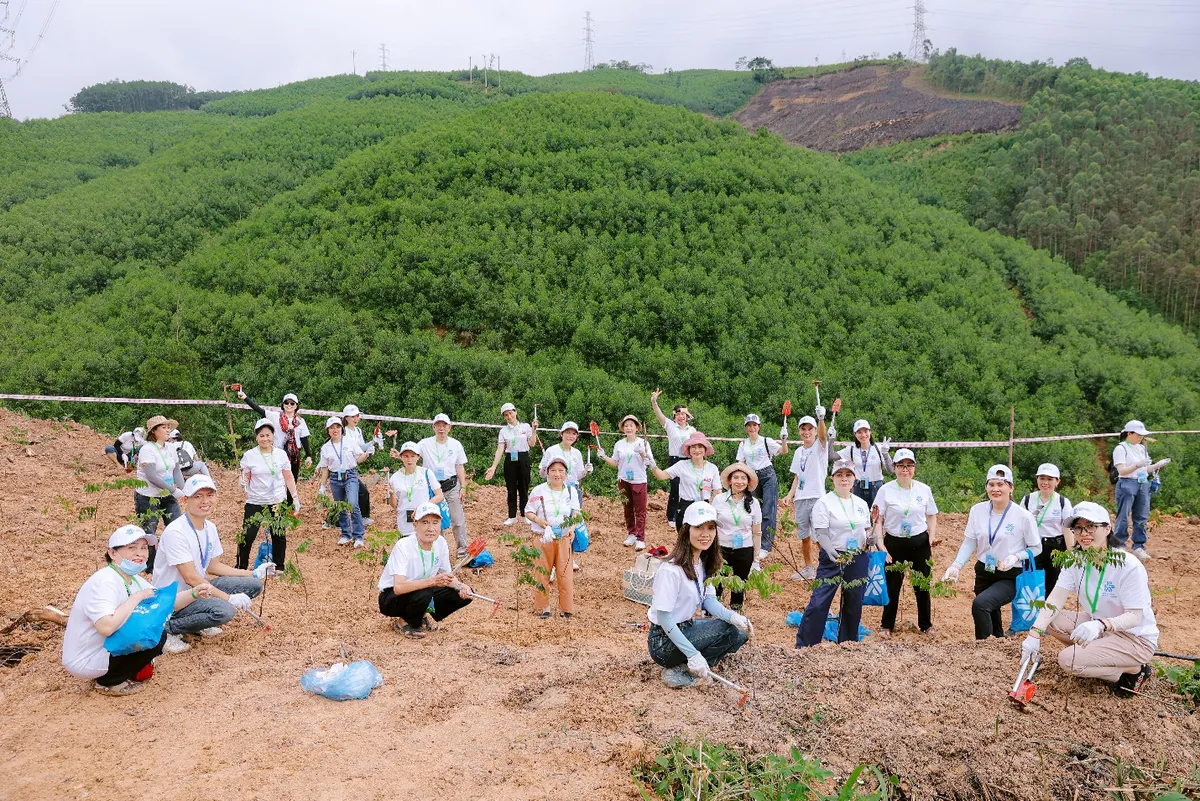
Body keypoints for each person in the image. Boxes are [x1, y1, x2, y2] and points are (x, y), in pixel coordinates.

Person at [1020, 501, 1159, 696]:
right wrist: (1034, 634)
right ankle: (1097, 654)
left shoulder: (1128, 566)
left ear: (1107, 528)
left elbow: (1135, 617)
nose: (1084, 533)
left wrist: (1101, 625)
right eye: (1078, 528)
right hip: (1099, 626)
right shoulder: (1076, 561)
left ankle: (1134, 670)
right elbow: (1056, 599)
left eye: (1091, 526)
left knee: (1067, 660)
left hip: (1134, 638)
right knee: (1051, 620)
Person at [62, 524, 215, 696]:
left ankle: (117, 671)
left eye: (143, 548)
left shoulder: (132, 579)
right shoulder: (105, 582)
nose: (140, 553)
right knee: (154, 637)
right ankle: (109, 682)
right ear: (113, 553)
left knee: (155, 632)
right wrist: (136, 598)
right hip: (85, 658)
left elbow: (165, 603)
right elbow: (106, 626)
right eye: (131, 548)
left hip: (102, 648)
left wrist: (194, 593)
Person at [152, 476, 269, 653]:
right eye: (197, 496)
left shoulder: (210, 527)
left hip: (199, 589)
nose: (205, 501)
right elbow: (191, 577)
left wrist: (252, 573)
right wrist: (229, 598)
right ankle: (168, 628)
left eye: (209, 495)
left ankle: (197, 621)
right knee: (224, 610)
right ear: (185, 500)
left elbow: (213, 567)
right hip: (174, 598)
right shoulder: (176, 532)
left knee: (253, 586)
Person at [647, 502, 753, 688]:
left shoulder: (702, 564)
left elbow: (709, 601)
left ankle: (689, 667)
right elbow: (663, 617)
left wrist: (733, 616)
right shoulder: (671, 570)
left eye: (711, 528)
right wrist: (692, 654)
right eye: (698, 527)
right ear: (686, 530)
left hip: (686, 627)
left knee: (739, 634)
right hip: (663, 641)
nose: (706, 534)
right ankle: (682, 668)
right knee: (725, 629)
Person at [942, 464, 1041, 640]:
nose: (995, 489)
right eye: (991, 484)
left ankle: (984, 649)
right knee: (991, 610)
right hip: (984, 570)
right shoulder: (977, 510)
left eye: (1001, 484)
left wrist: (1016, 556)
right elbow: (970, 541)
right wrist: (956, 566)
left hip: (1009, 573)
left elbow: (1036, 547)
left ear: (1011, 488)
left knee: (981, 605)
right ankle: (998, 641)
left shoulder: (1023, 516)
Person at [796, 459, 873, 648]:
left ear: (854, 478)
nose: (844, 479)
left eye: (848, 475)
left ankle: (847, 643)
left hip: (857, 557)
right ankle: (806, 645)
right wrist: (830, 550)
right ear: (833, 478)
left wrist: (871, 539)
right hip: (833, 557)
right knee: (819, 601)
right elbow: (821, 532)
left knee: (854, 602)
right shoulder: (824, 503)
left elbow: (867, 529)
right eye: (840, 475)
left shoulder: (862, 504)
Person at [378, 502, 474, 638]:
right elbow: (398, 587)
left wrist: (461, 587)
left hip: (423, 590)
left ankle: (419, 614)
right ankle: (403, 622)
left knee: (462, 594)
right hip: (391, 598)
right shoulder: (403, 546)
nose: (431, 528)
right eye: (425, 522)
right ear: (415, 525)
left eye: (435, 523)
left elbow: (447, 576)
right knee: (425, 592)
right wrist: (432, 581)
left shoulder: (440, 543)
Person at [872, 448, 940, 637]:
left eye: (909, 466)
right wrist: (881, 545)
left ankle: (926, 624)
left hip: (920, 542)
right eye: (901, 466)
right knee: (892, 586)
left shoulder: (923, 489)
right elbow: (877, 519)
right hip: (894, 543)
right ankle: (886, 625)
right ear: (894, 468)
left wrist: (932, 535)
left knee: (922, 585)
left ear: (914, 468)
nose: (905, 470)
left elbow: (932, 514)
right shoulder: (885, 490)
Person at [236, 417, 301, 571]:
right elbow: (246, 476)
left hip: (277, 500)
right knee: (247, 536)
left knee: (278, 534)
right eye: (261, 435)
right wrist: (242, 481)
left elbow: (288, 476)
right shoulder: (249, 455)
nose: (265, 438)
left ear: (273, 436)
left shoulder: (281, 454)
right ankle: (241, 567)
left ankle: (278, 567)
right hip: (256, 500)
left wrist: (295, 497)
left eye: (268, 435)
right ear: (256, 437)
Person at [525, 456, 583, 619]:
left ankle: (567, 609)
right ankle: (544, 607)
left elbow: (576, 511)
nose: (557, 474)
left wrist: (572, 527)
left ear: (566, 473)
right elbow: (528, 511)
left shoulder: (571, 491)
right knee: (542, 573)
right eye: (553, 470)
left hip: (564, 539)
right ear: (547, 472)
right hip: (543, 537)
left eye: (560, 471)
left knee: (565, 575)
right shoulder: (539, 490)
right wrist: (539, 520)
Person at [238, 388, 314, 506]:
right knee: (278, 479)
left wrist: (308, 455)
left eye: (292, 403)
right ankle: (275, 504)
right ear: (283, 405)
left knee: (291, 479)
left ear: (296, 406)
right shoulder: (275, 417)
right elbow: (259, 410)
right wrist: (245, 398)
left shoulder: (300, 421)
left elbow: (304, 438)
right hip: (279, 453)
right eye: (286, 403)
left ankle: (289, 506)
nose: (289, 405)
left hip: (294, 454)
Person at [781, 408, 831, 582]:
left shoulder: (820, 446)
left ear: (815, 430)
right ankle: (809, 568)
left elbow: (824, 437)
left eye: (810, 429)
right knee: (804, 536)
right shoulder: (798, 452)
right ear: (800, 431)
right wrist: (790, 495)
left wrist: (821, 418)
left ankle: (828, 566)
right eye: (804, 429)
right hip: (801, 498)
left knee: (819, 536)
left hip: (817, 497)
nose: (807, 432)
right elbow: (797, 476)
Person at [1112, 420, 1170, 561]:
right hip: (1127, 483)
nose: (1140, 438)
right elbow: (1122, 470)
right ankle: (1118, 544)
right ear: (1129, 433)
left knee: (1141, 517)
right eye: (1138, 435)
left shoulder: (1142, 448)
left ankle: (1139, 546)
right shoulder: (1121, 449)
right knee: (1124, 514)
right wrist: (1137, 465)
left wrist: (1156, 466)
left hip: (1142, 483)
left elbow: (1145, 469)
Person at [133, 414, 185, 568]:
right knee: (149, 531)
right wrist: (173, 490)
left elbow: (176, 471)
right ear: (154, 431)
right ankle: (149, 567)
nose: (168, 430)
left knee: (177, 526)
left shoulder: (171, 447)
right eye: (164, 427)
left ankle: (175, 560)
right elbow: (151, 476)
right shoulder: (147, 449)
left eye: (168, 427)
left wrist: (184, 489)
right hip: (148, 496)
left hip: (167, 495)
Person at [417, 414, 471, 559]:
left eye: (444, 425)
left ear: (449, 427)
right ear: (433, 427)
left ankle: (462, 551)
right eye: (438, 425)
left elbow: (459, 466)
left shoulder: (456, 444)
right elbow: (411, 455)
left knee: (458, 520)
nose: (441, 428)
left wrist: (464, 487)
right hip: (433, 489)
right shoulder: (424, 443)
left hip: (452, 485)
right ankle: (436, 552)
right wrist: (398, 454)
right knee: (435, 521)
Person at [735, 414, 788, 560]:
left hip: (767, 475)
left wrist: (784, 440)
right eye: (749, 425)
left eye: (754, 425)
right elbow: (740, 463)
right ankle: (750, 540)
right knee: (751, 508)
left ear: (759, 426)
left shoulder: (766, 441)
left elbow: (783, 451)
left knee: (768, 510)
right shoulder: (743, 444)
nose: (752, 428)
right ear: (746, 427)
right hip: (751, 477)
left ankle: (766, 545)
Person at [712, 463, 762, 610]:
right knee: (716, 584)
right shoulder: (719, 500)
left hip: (744, 549)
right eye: (736, 478)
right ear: (729, 481)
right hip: (721, 548)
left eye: (743, 478)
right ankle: (711, 614)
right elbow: (712, 526)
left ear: (748, 482)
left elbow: (757, 532)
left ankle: (735, 615)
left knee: (739, 586)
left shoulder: (754, 503)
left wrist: (756, 558)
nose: (739, 481)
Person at [598, 415, 652, 550]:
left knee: (640, 511)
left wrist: (642, 453)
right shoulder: (619, 444)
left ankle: (640, 538)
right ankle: (632, 533)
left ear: (637, 428)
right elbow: (615, 462)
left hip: (639, 480)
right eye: (626, 425)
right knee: (627, 509)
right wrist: (604, 457)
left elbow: (649, 462)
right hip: (623, 480)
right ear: (623, 428)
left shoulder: (643, 443)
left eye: (631, 425)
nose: (628, 428)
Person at [1019, 463, 1074, 594]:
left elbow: (1067, 529)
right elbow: (1020, 526)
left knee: (1053, 584)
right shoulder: (1028, 500)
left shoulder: (1063, 502)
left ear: (1057, 482)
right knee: (1031, 584)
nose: (1045, 482)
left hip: (1055, 547)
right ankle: (1033, 613)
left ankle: (1049, 613)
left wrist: (1072, 553)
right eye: (1042, 478)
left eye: (1050, 479)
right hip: (1033, 545)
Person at [316, 416, 370, 547]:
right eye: (332, 428)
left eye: (337, 427)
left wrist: (368, 454)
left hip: (350, 475)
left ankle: (358, 535)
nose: (335, 430)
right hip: (335, 477)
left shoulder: (349, 442)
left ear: (341, 428)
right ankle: (346, 534)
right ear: (328, 431)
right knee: (340, 506)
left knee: (352, 503)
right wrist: (322, 485)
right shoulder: (326, 448)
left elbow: (359, 458)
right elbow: (325, 468)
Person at [651, 431, 719, 533]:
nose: (697, 450)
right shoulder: (681, 465)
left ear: (705, 450)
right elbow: (661, 475)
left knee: (703, 538)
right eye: (693, 447)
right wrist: (651, 463)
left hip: (704, 506)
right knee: (684, 538)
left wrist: (718, 509)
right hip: (686, 506)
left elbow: (717, 491)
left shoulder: (712, 468)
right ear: (689, 450)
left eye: (700, 447)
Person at [484, 402, 538, 526]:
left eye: (510, 413)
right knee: (511, 488)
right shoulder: (503, 431)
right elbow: (500, 449)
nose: (509, 416)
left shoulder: (525, 427)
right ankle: (512, 516)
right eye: (506, 415)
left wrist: (534, 430)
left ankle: (525, 514)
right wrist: (493, 466)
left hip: (523, 457)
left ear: (516, 412)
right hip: (510, 459)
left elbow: (532, 444)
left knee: (524, 487)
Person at [651, 390, 696, 526]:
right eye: (677, 414)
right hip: (675, 459)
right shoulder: (670, 426)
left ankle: (686, 513)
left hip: (689, 460)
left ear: (687, 416)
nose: (680, 416)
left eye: (683, 414)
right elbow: (659, 414)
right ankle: (671, 516)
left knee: (688, 488)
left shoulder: (692, 430)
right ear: (674, 416)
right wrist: (654, 401)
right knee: (675, 488)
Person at [388, 441, 445, 536]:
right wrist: (391, 494)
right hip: (405, 524)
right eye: (406, 456)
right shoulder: (394, 477)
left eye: (412, 456)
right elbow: (394, 505)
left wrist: (422, 508)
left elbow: (439, 496)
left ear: (418, 457)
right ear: (401, 457)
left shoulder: (426, 473)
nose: (409, 459)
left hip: (425, 521)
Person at [835, 419, 894, 508]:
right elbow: (831, 455)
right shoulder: (851, 449)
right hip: (858, 486)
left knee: (876, 517)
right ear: (855, 434)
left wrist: (885, 453)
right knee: (858, 516)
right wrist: (831, 438)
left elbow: (891, 470)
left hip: (876, 487)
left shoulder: (879, 448)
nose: (863, 435)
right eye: (859, 432)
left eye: (865, 431)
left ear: (870, 432)